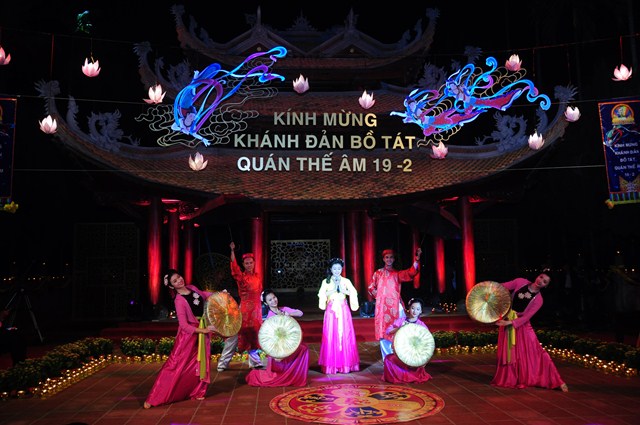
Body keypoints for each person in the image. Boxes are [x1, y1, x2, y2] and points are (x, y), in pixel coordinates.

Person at [144, 269, 218, 408]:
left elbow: (204, 295)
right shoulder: (179, 300)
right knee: (175, 365)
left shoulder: (192, 288)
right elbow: (184, 325)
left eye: (178, 277)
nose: (179, 280)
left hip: (201, 332)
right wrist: (203, 330)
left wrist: (220, 295)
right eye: (175, 281)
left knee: (199, 363)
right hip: (188, 338)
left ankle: (196, 391)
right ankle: (155, 397)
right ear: (172, 286)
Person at [491, 272, 569, 392]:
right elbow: (501, 287)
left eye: (545, 281)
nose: (541, 281)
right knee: (509, 353)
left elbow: (526, 317)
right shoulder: (520, 281)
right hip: (507, 320)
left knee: (537, 351)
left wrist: (510, 323)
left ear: (546, 286)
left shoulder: (539, 300)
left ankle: (556, 380)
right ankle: (510, 379)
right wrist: (487, 289)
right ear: (538, 276)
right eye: (541, 277)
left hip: (522, 326)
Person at [246, 289, 309, 387]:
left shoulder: (283, 309)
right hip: (277, 346)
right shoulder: (269, 317)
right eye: (270, 300)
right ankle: (289, 375)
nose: (273, 300)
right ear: (266, 303)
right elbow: (267, 337)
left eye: (274, 297)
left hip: (287, 341)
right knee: (302, 349)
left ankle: (295, 376)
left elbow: (300, 313)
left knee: (304, 348)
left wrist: (289, 314)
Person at [368, 247, 422, 358]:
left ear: (394, 259)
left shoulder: (397, 274)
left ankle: (398, 357)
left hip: (395, 307)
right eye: (387, 257)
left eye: (391, 257)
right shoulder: (378, 273)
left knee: (398, 331)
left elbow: (410, 273)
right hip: (382, 308)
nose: (389, 259)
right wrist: (379, 296)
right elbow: (370, 287)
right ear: (383, 259)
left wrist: (416, 260)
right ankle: (386, 359)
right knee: (384, 332)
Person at [217, 241, 263, 371]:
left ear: (254, 263)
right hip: (244, 312)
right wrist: (232, 251)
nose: (249, 265)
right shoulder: (241, 277)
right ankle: (222, 363)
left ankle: (255, 362)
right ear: (243, 265)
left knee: (253, 336)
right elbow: (234, 267)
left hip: (256, 312)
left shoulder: (257, 277)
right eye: (246, 263)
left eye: (251, 262)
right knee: (234, 338)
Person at [317, 257, 360, 374]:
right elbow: (321, 294)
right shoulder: (325, 281)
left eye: (339, 268)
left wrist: (342, 289)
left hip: (343, 309)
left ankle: (346, 364)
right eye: (334, 268)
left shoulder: (346, 281)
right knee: (331, 335)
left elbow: (353, 292)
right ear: (331, 269)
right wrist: (333, 289)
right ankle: (332, 365)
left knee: (345, 335)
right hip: (331, 310)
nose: (337, 271)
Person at [382, 297, 432, 383]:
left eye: (417, 309)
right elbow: (388, 331)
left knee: (413, 363)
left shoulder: (421, 325)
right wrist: (399, 328)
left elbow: (428, 342)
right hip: (401, 353)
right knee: (388, 359)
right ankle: (399, 377)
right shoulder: (401, 321)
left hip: (414, 355)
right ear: (409, 308)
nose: (414, 311)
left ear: (420, 311)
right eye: (413, 308)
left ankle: (406, 376)